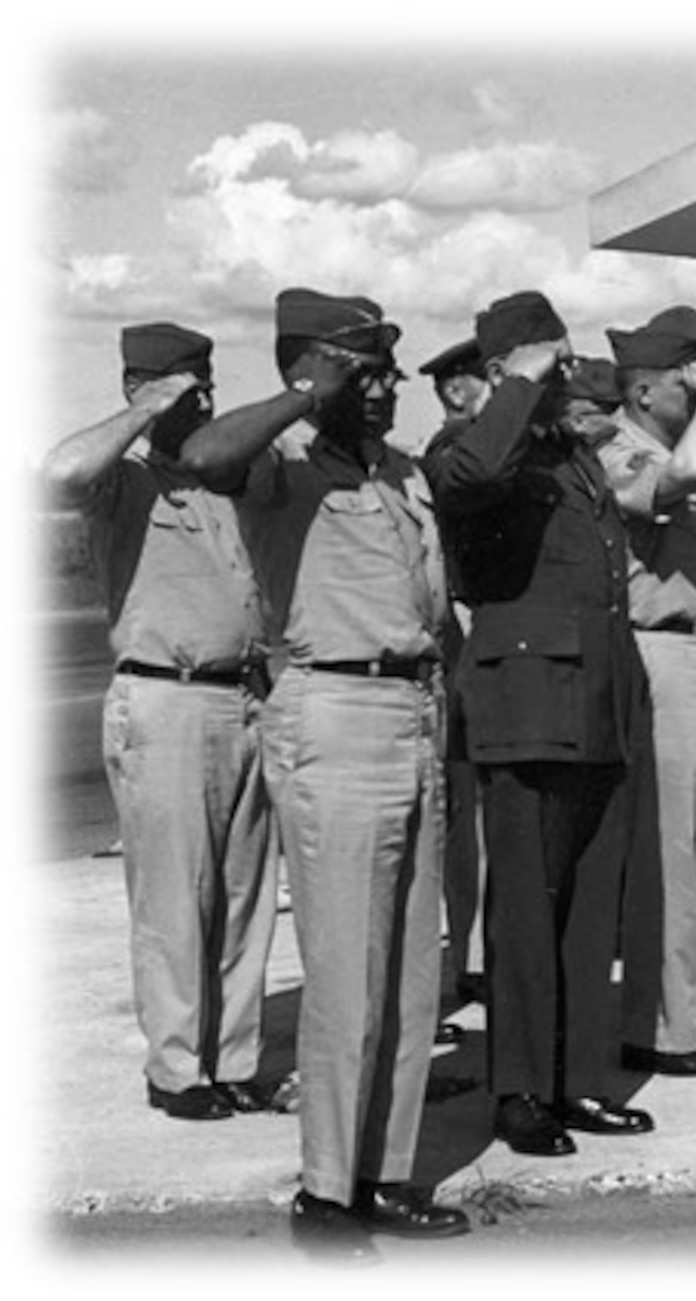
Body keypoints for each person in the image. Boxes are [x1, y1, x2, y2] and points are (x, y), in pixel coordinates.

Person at [179, 289, 467, 1256]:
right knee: (348, 967)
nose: (385, 387)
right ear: (311, 373)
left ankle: (383, 1172)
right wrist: (309, 395)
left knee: (409, 969)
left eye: (388, 369)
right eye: (364, 370)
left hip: (413, 709)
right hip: (333, 712)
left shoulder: (399, 473)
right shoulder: (279, 466)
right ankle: (325, 1193)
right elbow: (205, 457)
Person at [423, 291, 656, 1159]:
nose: (562, 376)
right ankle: (519, 1088)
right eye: (547, 363)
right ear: (500, 371)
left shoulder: (565, 449)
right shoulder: (466, 446)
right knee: (524, 909)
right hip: (526, 707)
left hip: (595, 700)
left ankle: (578, 1081)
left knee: (591, 904)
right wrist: (514, 386)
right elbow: (475, 478)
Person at [41, 323, 279, 1123]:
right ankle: (178, 1067)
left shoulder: (228, 482)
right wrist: (149, 409)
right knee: (176, 896)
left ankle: (236, 1058)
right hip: (165, 699)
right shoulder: (125, 486)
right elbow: (61, 471)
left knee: (247, 893)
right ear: (141, 389)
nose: (203, 400)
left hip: (246, 695)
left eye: (206, 385)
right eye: (186, 387)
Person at [598, 306, 696, 1076]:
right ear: (642, 393)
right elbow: (690, 474)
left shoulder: (680, 441)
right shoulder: (622, 448)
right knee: (674, 851)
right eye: (686, 378)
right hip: (666, 655)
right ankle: (662, 1025)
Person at [417, 336, 491, 1025]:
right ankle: (470, 957)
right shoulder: (451, 450)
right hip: (464, 628)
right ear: (461, 391)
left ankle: (479, 952)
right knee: (464, 805)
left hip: (485, 629)